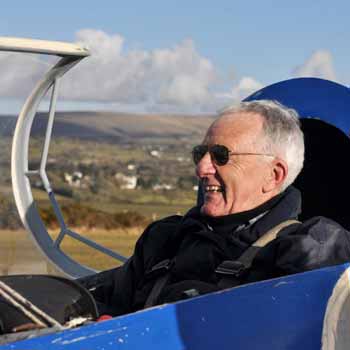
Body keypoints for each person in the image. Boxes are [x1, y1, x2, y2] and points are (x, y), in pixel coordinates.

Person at [88, 100, 350, 317]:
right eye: (200, 154)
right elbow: (97, 298)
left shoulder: (311, 251)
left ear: (273, 175)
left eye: (221, 156)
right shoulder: (164, 239)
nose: (201, 168)